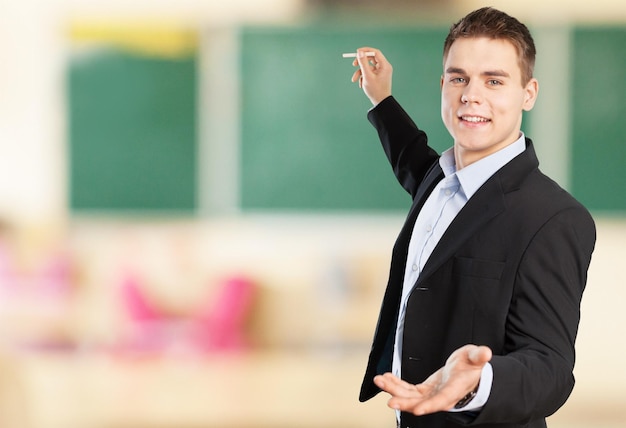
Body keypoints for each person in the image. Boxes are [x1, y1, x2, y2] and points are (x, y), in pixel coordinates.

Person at [349, 7, 596, 428]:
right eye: (458, 78)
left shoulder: (554, 218)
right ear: (442, 85)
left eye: (494, 80)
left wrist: (480, 381)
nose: (470, 95)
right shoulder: (438, 180)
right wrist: (381, 96)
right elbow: (408, 153)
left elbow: (551, 369)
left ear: (528, 93)